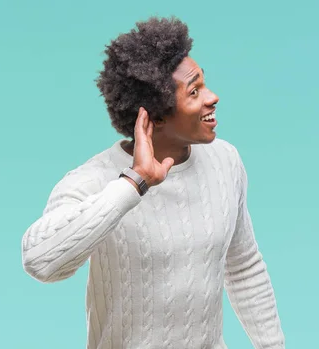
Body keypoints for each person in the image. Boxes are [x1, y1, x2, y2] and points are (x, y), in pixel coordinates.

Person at [20, 16, 285, 349]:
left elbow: (244, 266)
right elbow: (41, 261)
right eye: (195, 92)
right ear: (155, 116)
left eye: (205, 83)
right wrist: (134, 183)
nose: (212, 97)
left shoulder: (225, 160)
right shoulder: (94, 180)